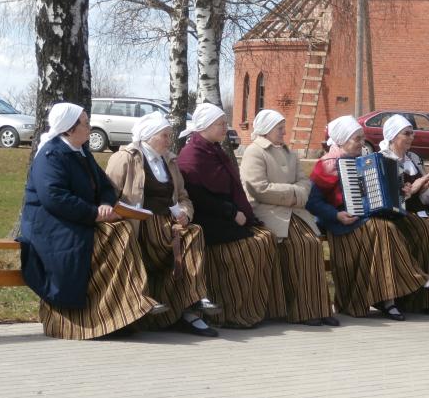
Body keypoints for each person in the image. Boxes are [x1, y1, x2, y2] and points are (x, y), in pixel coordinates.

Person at [18, 102, 160, 340]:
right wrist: (94, 214)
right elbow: (54, 198)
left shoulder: (81, 152)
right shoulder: (51, 155)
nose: (90, 127)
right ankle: (120, 308)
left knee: (120, 231)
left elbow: (105, 185)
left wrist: (105, 203)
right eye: (85, 123)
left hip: (76, 219)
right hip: (51, 227)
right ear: (69, 129)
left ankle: (123, 310)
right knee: (116, 236)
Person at [306, 115, 429, 321]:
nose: (362, 143)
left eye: (362, 138)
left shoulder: (363, 162)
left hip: (365, 220)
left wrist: (402, 192)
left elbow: (380, 194)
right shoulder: (327, 164)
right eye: (357, 139)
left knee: (388, 227)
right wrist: (336, 214)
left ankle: (389, 299)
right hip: (341, 224)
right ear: (341, 141)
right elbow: (312, 201)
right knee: (384, 229)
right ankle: (407, 285)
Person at [105, 111, 219, 337]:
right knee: (190, 235)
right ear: (149, 136)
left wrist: (185, 212)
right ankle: (192, 303)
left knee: (193, 230)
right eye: (165, 135)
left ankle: (192, 305)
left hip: (169, 223)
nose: (169, 140)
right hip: (143, 225)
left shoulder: (170, 160)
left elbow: (183, 195)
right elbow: (109, 195)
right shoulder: (126, 158)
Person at [177, 103, 286, 328]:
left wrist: (237, 212)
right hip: (207, 219)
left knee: (265, 237)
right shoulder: (192, 154)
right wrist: (232, 212)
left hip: (225, 215)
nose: (225, 127)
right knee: (249, 247)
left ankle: (257, 307)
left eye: (225, 123)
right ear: (205, 126)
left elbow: (230, 188)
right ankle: (232, 312)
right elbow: (199, 197)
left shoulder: (214, 150)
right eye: (221, 124)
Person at [240, 109, 338, 327]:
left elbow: (305, 183)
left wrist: (296, 193)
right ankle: (304, 311)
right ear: (266, 129)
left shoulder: (289, 152)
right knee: (302, 244)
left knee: (312, 243)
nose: (284, 132)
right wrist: (294, 193)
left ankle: (320, 307)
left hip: (294, 211)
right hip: (268, 212)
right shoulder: (254, 152)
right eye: (279, 128)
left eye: (283, 127)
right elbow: (257, 188)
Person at [379, 114, 429, 313]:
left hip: (418, 210)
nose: (411, 137)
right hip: (398, 215)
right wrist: (412, 190)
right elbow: (386, 200)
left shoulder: (413, 159)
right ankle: (417, 297)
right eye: (407, 133)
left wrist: (426, 188)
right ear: (393, 137)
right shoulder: (384, 160)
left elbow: (427, 199)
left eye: (412, 133)